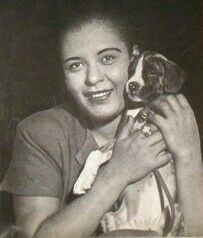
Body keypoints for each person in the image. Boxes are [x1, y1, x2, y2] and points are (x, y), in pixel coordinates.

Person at [1, 2, 203, 237]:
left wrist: (189, 157)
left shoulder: (172, 120)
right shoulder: (39, 133)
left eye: (107, 58)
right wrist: (117, 172)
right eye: (75, 65)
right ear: (63, 74)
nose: (93, 78)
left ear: (133, 57)